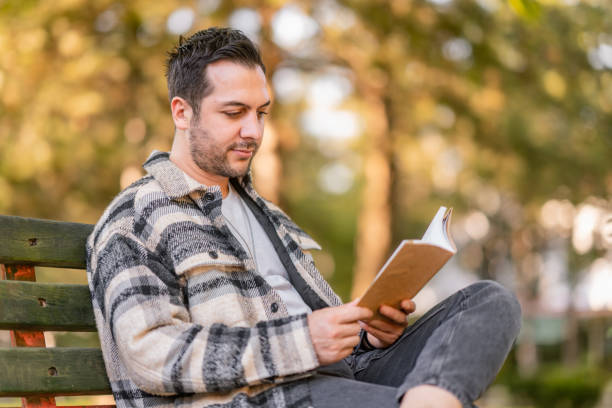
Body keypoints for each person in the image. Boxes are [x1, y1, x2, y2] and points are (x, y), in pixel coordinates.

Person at [86, 27, 522, 408]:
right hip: (256, 399)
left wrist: (368, 336)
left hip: (335, 382)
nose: (253, 131)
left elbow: (324, 337)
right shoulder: (135, 218)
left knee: (488, 301)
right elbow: (152, 354)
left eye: (261, 113)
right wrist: (302, 341)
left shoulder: (268, 216)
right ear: (182, 112)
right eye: (234, 113)